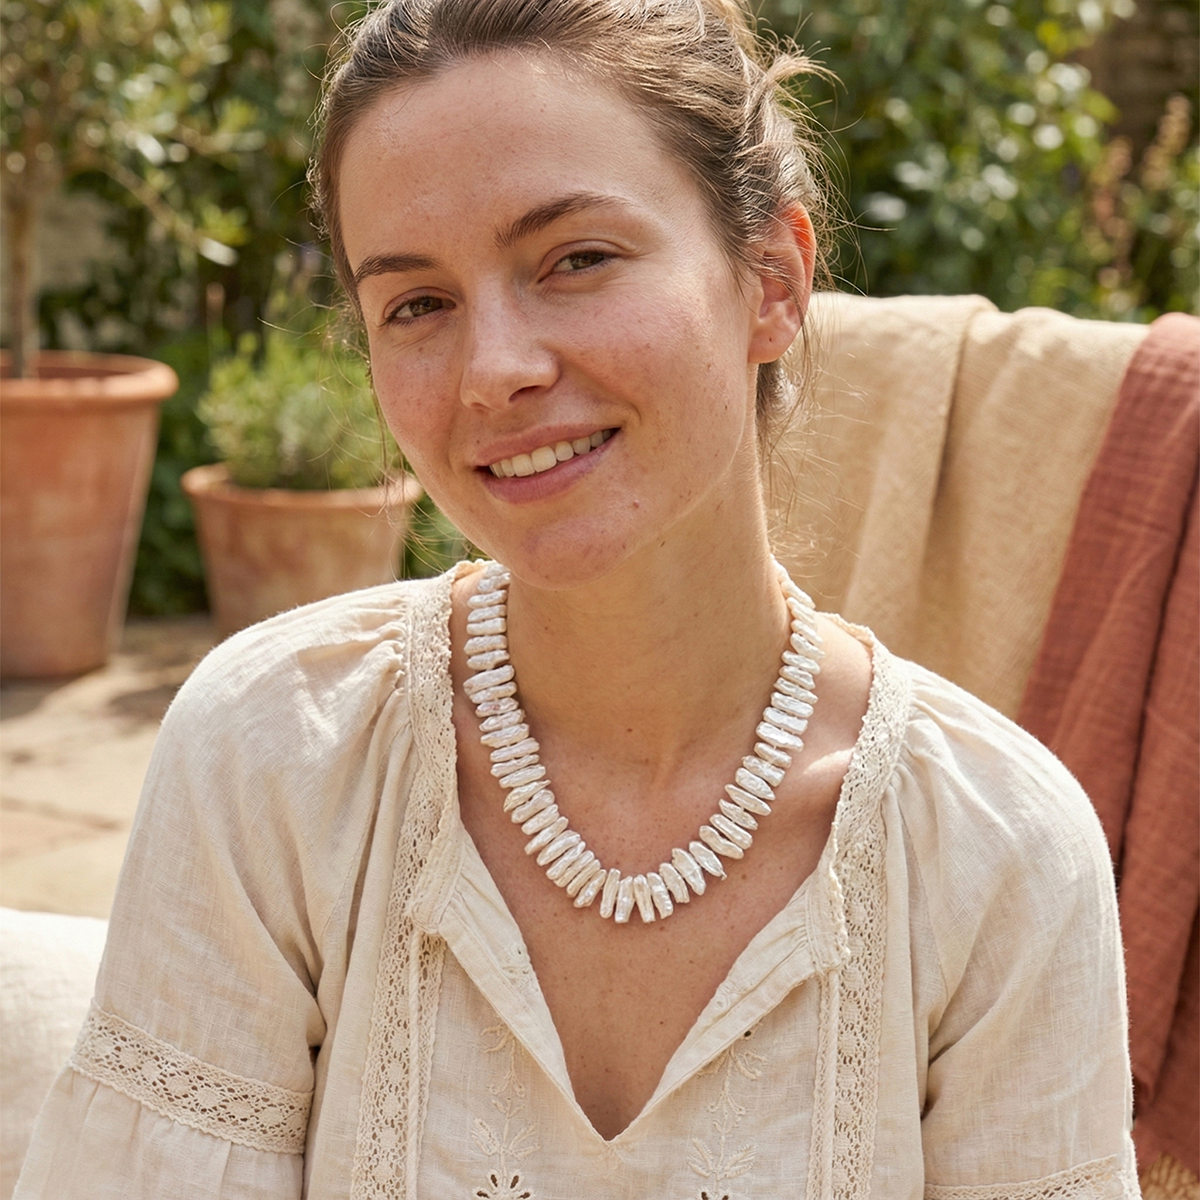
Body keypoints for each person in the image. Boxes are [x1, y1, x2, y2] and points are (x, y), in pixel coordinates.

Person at [16, 1, 1139, 1196]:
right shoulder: (280, 759)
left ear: (773, 280)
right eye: (419, 304)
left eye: (578, 259)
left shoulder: (995, 856)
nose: (496, 368)